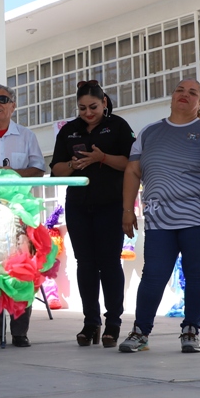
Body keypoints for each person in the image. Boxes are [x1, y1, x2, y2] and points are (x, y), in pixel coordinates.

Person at [119, 79, 200, 354]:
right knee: (153, 275)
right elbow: (133, 172)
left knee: (196, 275)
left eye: (192, 92)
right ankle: (140, 332)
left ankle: (191, 330)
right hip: (159, 220)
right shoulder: (149, 132)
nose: (185, 95)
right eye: (180, 90)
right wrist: (127, 210)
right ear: (172, 97)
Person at [50, 80, 135, 348]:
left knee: (109, 264)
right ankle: (90, 322)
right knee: (85, 265)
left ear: (105, 103)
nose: (88, 113)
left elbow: (131, 165)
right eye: (83, 108)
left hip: (111, 205)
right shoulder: (69, 131)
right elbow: (56, 170)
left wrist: (102, 158)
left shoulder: (118, 126)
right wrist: (74, 165)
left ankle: (113, 323)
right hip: (78, 206)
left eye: (94, 107)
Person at [0, 84, 46, 348]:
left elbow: (38, 168)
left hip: (18, 214)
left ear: (13, 105)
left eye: (3, 100)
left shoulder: (26, 136)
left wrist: (12, 174)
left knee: (21, 272)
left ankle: (19, 332)